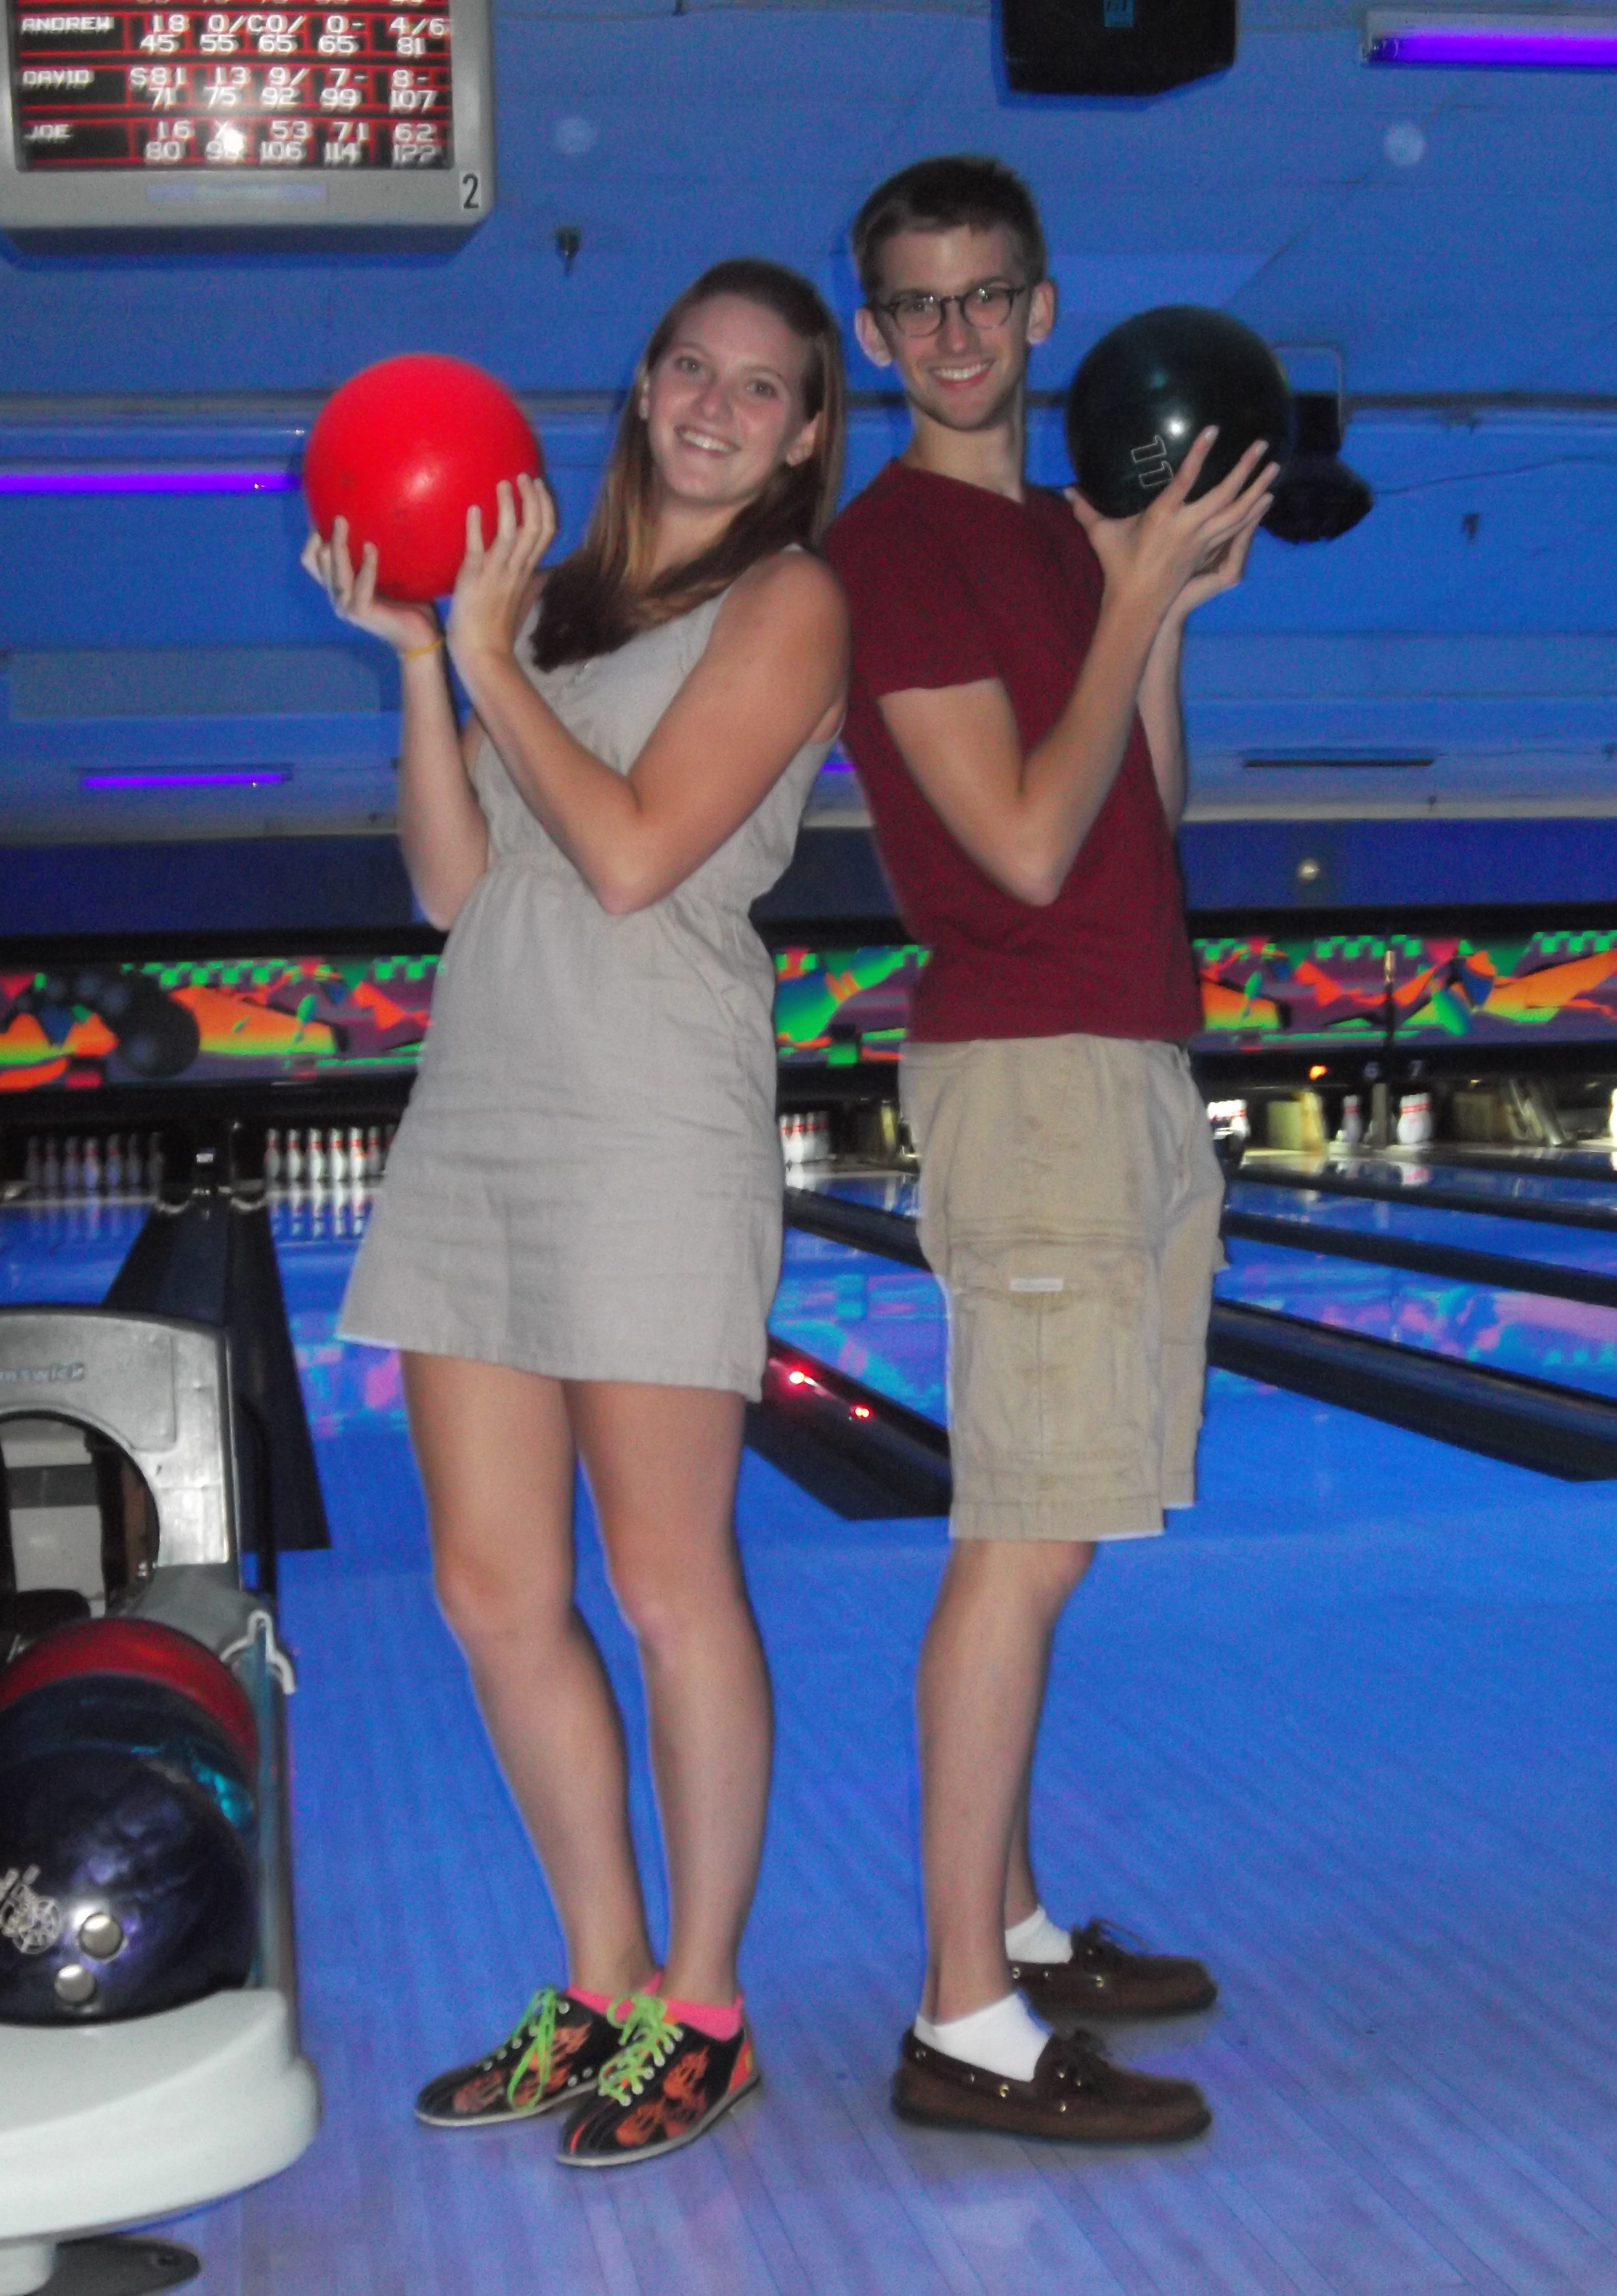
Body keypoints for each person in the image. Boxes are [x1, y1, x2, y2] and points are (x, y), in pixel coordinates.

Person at [302, 260, 849, 2168]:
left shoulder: (791, 603)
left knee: (667, 1584)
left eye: (760, 387)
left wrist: (490, 663)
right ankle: (604, 1981)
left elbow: (627, 856)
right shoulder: (550, 605)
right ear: (641, 385)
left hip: (647, 1123)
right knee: (489, 1589)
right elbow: (457, 889)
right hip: (482, 1111)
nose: (715, 404)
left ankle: (705, 2009)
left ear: (804, 435)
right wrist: (423, 664)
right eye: (689, 366)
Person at [823, 156, 1275, 2144]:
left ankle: (1004, 1922)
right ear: (875, 334)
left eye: (985, 295)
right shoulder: (891, 551)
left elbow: (1138, 807)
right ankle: (961, 2022)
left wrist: (1147, 607)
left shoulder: (1052, 532)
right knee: (1021, 1542)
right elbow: (1015, 844)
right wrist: (1129, 598)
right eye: (917, 305)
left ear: (1040, 307)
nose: (954, 333)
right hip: (1030, 1077)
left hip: (1124, 1056)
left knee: (1050, 1527)